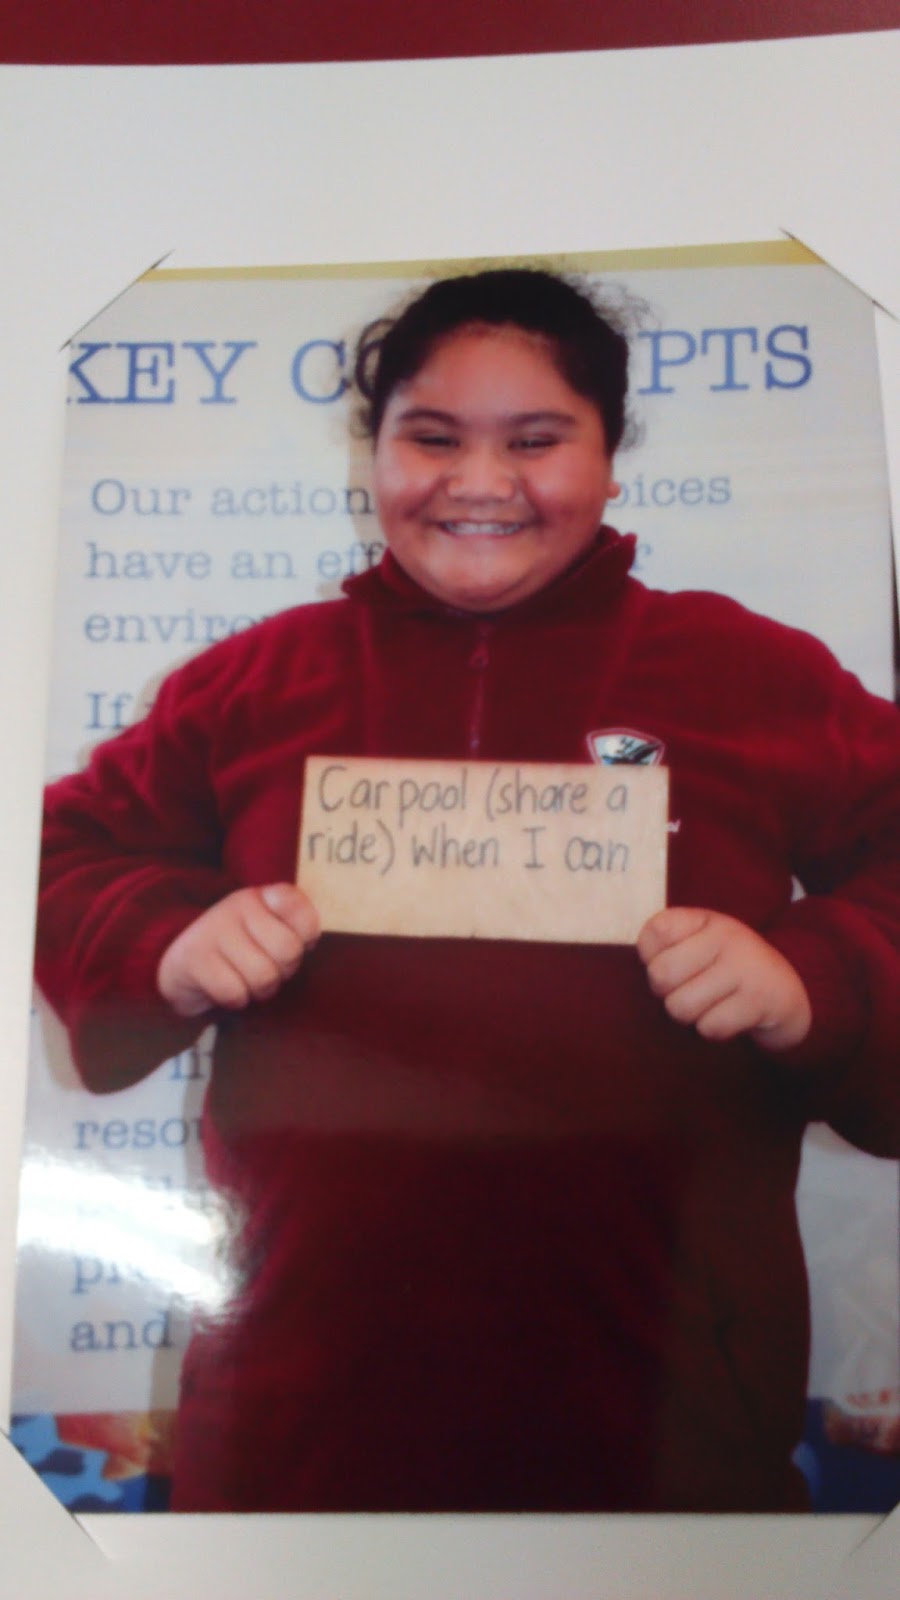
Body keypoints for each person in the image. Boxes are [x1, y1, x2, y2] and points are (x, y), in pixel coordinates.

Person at [36, 267, 900, 1513]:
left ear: (610, 458)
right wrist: (166, 946)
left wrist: (811, 980)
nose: (480, 481)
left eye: (537, 440)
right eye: (432, 437)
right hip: (300, 1412)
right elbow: (62, 853)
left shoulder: (748, 674)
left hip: (666, 1414)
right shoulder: (258, 684)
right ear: (374, 454)